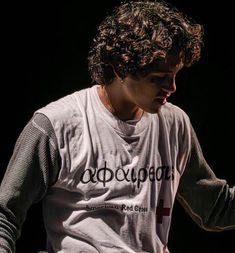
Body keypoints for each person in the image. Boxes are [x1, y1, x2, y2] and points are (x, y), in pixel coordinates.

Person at [0, 0, 234, 252]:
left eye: (175, 75)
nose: (172, 87)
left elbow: (214, 208)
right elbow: (4, 214)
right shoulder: (56, 125)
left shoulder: (175, 124)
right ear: (120, 67)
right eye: (158, 78)